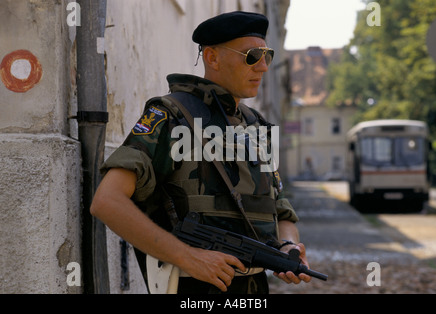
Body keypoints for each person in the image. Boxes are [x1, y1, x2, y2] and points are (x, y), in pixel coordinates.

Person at [90, 11, 311, 294]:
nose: (263, 67)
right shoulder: (171, 115)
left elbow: (280, 208)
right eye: (252, 56)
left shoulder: (256, 126)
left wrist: (288, 246)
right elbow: (107, 202)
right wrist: (187, 256)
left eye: (266, 56)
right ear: (212, 58)